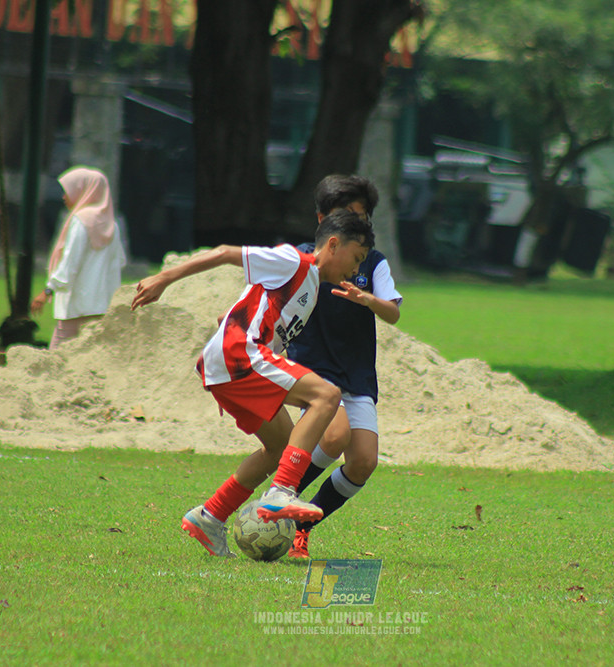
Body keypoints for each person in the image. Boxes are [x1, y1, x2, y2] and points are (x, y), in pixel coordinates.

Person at [131, 209, 375, 557]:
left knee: (279, 447)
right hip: (239, 355)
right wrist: (164, 278)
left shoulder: (310, 288)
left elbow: (243, 309)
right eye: (357, 258)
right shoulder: (294, 262)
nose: (356, 270)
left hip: (230, 364)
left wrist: (231, 321)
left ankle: (210, 516)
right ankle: (282, 491)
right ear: (333, 245)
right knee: (327, 395)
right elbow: (224, 253)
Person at [285, 174, 402, 559]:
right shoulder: (302, 257)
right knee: (334, 435)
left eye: (361, 216)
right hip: (313, 370)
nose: (355, 223)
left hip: (355, 373)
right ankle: (281, 494)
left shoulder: (373, 261)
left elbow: (393, 312)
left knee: (364, 461)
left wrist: (367, 299)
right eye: (345, 215)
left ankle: (302, 525)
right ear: (323, 220)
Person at [30, 167, 126, 349]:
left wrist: (48, 290)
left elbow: (70, 262)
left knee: (57, 353)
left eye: (68, 191)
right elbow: (119, 262)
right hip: (101, 306)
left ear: (83, 191)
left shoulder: (81, 221)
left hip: (76, 306)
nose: (64, 197)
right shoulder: (112, 225)